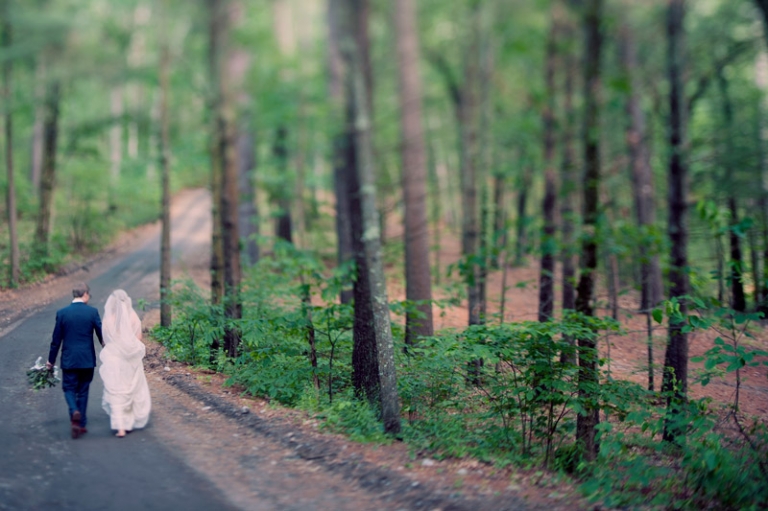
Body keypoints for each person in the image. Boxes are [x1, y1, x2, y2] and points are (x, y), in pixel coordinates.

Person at [47, 282, 104, 439]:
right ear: (85, 294)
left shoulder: (62, 313)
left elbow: (56, 340)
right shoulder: (92, 312)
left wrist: (50, 361)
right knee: (83, 390)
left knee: (69, 388)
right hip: (87, 360)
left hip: (69, 359)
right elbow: (102, 336)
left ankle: (74, 412)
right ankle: (81, 424)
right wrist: (109, 351)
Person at [99, 289, 151, 438]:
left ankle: (120, 426)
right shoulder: (133, 317)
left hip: (114, 358)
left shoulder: (108, 319)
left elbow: (105, 340)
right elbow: (138, 338)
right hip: (129, 359)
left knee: (115, 391)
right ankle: (129, 422)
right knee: (131, 388)